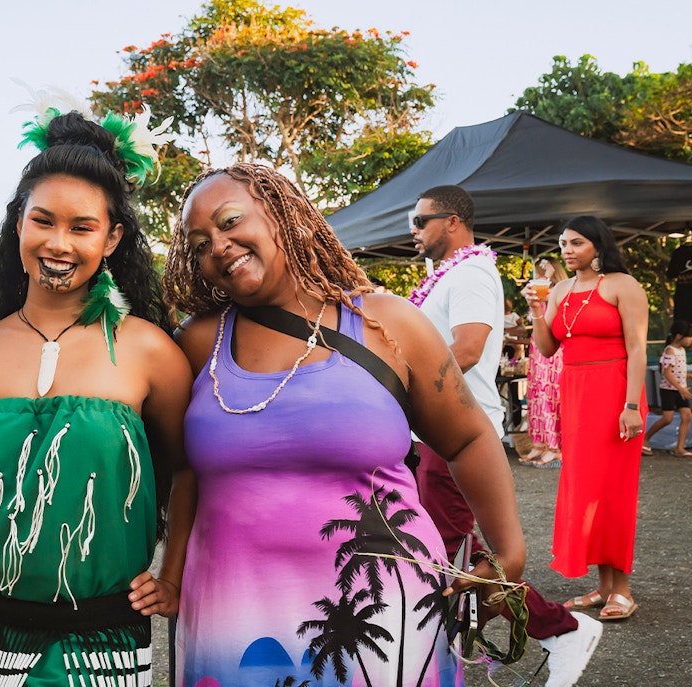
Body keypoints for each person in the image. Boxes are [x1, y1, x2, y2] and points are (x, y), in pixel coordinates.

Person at [162, 165, 525, 687]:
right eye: (199, 243)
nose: (217, 246)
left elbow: (467, 438)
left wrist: (508, 554)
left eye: (230, 221)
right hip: (234, 618)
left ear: (282, 216)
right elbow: (179, 471)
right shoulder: (196, 344)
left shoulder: (388, 325)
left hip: (384, 614)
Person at [0, 109, 190, 687]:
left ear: (113, 238)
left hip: (104, 641)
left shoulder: (149, 351)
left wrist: (174, 573)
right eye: (42, 221)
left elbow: (189, 468)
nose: (58, 243)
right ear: (18, 224)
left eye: (82, 227)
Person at [407, 186, 600, 687]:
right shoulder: (445, 274)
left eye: (420, 219)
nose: (412, 229)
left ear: (452, 222)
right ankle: (452, 642)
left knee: (447, 553)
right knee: (452, 553)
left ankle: (563, 628)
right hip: (437, 430)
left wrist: (399, 384)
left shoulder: (471, 272)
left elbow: (467, 349)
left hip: (456, 431)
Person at [525, 215, 648, 623]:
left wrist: (631, 406)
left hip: (616, 392)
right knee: (585, 490)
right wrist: (537, 310)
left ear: (598, 245)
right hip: (576, 394)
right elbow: (546, 348)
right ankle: (604, 586)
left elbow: (638, 349)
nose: (567, 250)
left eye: (576, 243)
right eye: (563, 243)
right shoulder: (560, 289)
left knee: (613, 491)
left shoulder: (622, 286)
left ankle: (623, 590)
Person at [523, 256, 569, 467]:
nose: (541, 271)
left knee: (549, 395)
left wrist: (547, 279)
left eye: (545, 267)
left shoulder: (560, 290)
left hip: (553, 347)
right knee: (535, 394)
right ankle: (539, 443)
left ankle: (554, 446)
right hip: (536, 347)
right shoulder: (539, 288)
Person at [642, 320, 692, 456]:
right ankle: (645, 438)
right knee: (667, 418)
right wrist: (680, 389)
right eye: (689, 336)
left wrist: (688, 376)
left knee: (687, 416)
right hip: (669, 390)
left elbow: (678, 371)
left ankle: (679, 448)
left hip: (680, 389)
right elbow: (667, 373)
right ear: (679, 336)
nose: (690, 340)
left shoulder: (681, 351)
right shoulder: (670, 350)